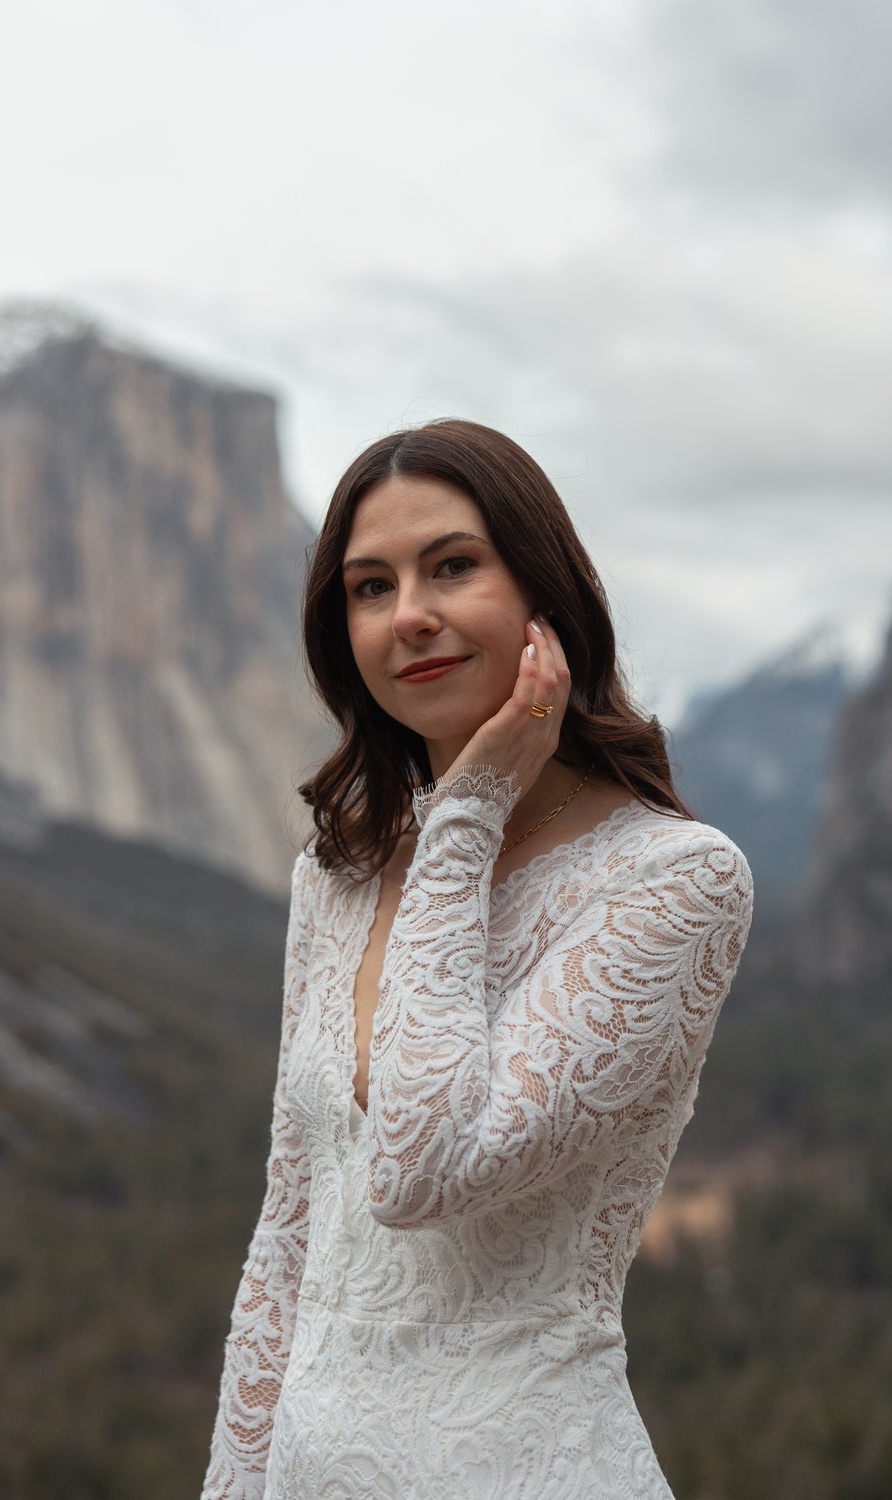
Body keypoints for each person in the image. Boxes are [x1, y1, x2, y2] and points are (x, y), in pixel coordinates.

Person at [201, 418, 754, 1500]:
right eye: (369, 587)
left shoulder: (676, 881)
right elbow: (289, 1238)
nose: (409, 615)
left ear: (545, 594)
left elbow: (421, 1167)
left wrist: (468, 813)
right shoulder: (338, 877)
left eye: (453, 566)